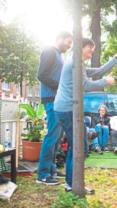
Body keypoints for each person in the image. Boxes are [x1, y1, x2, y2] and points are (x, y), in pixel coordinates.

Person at [54, 38, 117, 192]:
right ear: (81, 47)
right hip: (67, 110)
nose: (93, 50)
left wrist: (115, 59)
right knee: (80, 146)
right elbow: (85, 85)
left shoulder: (78, 63)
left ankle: (71, 184)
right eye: (90, 47)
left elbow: (98, 71)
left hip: (65, 109)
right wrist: (105, 82)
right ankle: (73, 184)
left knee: (78, 146)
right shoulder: (75, 63)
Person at [36, 31, 73, 185]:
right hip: (51, 98)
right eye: (68, 42)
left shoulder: (58, 54)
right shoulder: (50, 51)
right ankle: (42, 175)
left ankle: (51, 169)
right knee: (52, 135)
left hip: (57, 99)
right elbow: (42, 75)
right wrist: (62, 87)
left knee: (58, 136)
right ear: (60, 39)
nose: (70, 46)